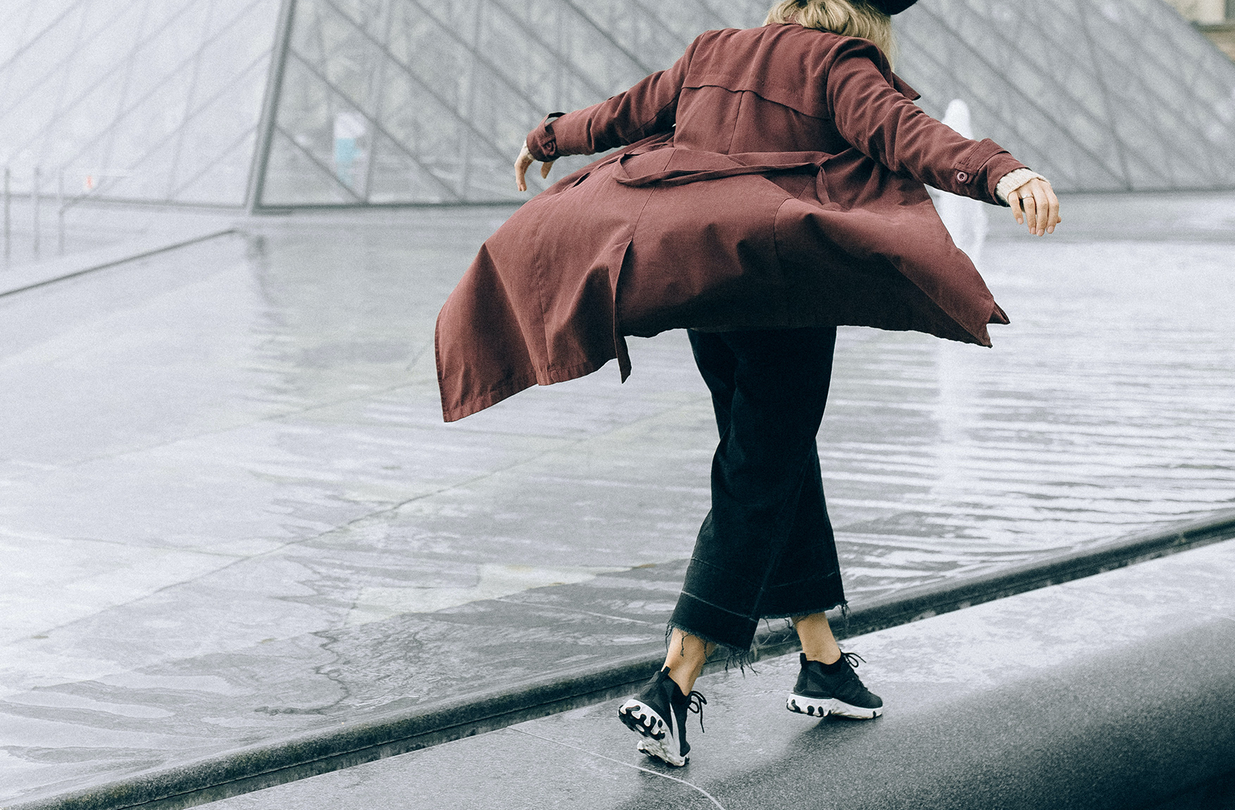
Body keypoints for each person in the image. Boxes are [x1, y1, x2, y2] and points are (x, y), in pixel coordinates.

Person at [435, 0, 1059, 768]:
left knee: (775, 451)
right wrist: (1003, 172)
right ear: (866, 20)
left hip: (703, 280)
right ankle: (674, 683)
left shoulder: (713, 49)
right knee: (760, 469)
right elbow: (906, 134)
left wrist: (546, 137)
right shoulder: (840, 65)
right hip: (780, 288)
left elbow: (624, 114)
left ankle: (823, 663)